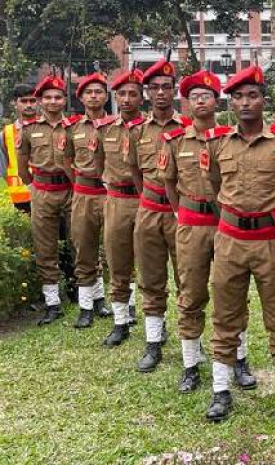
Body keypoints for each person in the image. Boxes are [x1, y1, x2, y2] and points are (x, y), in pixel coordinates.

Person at [200, 65, 275, 421]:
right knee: (225, 316)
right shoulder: (217, 142)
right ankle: (221, 390)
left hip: (270, 240)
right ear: (231, 102)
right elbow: (214, 186)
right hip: (229, 239)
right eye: (238, 96)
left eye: (252, 95)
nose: (245, 102)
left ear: (263, 100)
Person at [160, 70, 255, 393]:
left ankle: (239, 358)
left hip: (227, 223)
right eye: (195, 97)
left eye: (207, 96)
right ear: (186, 103)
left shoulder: (230, 137)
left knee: (233, 293)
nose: (201, 101)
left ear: (217, 101)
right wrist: (180, 212)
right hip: (191, 224)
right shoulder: (175, 141)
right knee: (191, 292)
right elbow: (169, 182)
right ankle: (190, 363)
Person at [128, 60, 191, 372]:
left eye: (167, 87)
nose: (162, 93)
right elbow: (134, 171)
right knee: (151, 279)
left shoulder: (189, 129)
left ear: (175, 90)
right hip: (149, 211)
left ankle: (192, 343)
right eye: (155, 88)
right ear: (147, 93)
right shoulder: (137, 131)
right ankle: (153, 342)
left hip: (183, 215)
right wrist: (149, 198)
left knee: (188, 280)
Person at [16, 75, 73, 325]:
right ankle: (52, 302)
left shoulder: (75, 127)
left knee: (81, 242)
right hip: (42, 191)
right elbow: (21, 167)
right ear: (40, 101)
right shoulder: (29, 130)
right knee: (45, 247)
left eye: (58, 97)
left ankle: (86, 298)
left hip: (72, 190)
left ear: (65, 100)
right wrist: (35, 186)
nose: (53, 101)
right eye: (47, 97)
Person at [98, 68, 144, 346]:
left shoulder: (151, 130)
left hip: (145, 202)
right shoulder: (104, 130)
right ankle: (120, 321)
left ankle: (156, 322)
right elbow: (96, 163)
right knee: (117, 261)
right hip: (116, 200)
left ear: (142, 98)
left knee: (150, 266)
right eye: (122, 94)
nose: (127, 99)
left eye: (133, 94)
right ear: (115, 97)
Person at [64, 72, 112, 328]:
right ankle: (86, 307)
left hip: (110, 195)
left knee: (114, 249)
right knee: (84, 248)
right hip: (83, 193)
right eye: (89, 92)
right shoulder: (71, 128)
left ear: (106, 96)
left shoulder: (116, 126)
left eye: (99, 92)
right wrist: (79, 184)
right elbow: (65, 160)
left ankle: (104, 300)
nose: (94, 96)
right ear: (80, 97)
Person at [2, 84, 36, 213]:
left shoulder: (48, 128)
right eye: (23, 101)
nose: (29, 105)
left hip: (47, 194)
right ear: (15, 103)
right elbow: (3, 167)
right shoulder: (6, 133)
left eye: (32, 101)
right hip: (19, 198)